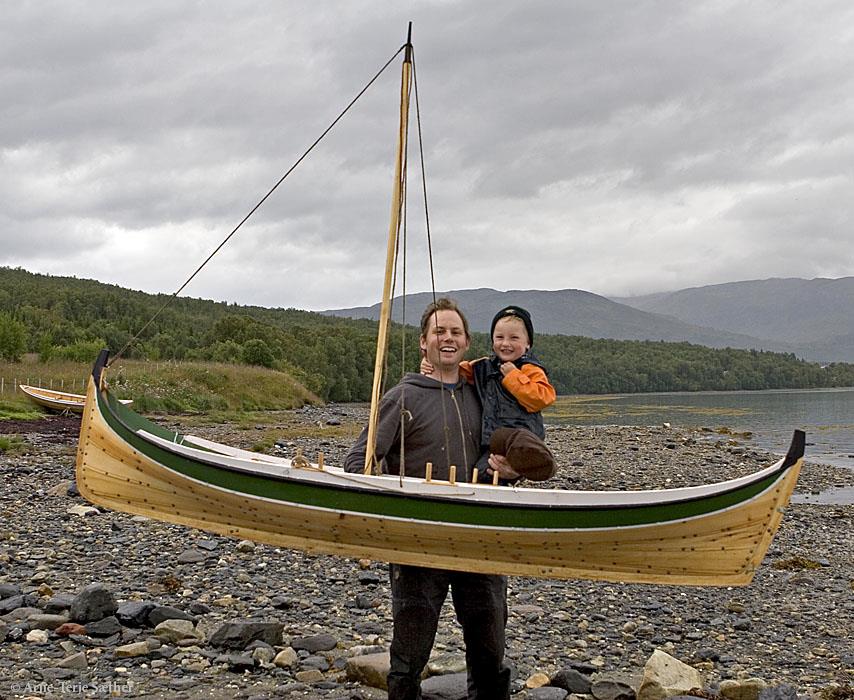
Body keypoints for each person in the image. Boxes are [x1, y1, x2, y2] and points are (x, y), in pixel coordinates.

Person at [344, 297, 515, 700]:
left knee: (489, 650)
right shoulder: (404, 396)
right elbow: (358, 461)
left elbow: (515, 451)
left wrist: (511, 470)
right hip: (418, 543)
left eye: (455, 332)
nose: (448, 338)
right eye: (439, 331)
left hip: (480, 539)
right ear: (423, 343)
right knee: (410, 651)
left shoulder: (485, 395)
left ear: (468, 342)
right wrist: (383, 503)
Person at [422, 304, 557, 483]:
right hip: (492, 439)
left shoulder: (530, 369)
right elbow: (456, 369)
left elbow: (543, 398)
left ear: (527, 344)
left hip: (522, 434)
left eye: (514, 338)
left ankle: (540, 464)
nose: (506, 343)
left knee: (517, 443)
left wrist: (513, 377)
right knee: (484, 470)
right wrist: (429, 362)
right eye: (499, 337)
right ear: (493, 341)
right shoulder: (483, 366)